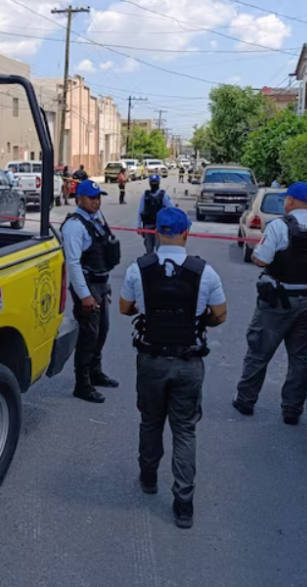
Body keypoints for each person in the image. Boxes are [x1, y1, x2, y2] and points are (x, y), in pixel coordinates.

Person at [119, 206, 227, 529]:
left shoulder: (138, 269)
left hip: (151, 360)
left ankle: (149, 477)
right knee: (184, 430)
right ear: (186, 234)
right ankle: (183, 505)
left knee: (151, 421)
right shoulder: (204, 272)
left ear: (156, 233)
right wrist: (197, 321)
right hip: (188, 361)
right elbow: (220, 315)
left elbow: (125, 308)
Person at [232, 181, 307, 425]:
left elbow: (260, 259)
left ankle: (246, 401)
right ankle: (292, 410)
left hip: (277, 301)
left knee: (259, 351)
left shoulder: (280, 226)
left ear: (289, 200)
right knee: (299, 358)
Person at [62, 179, 122, 403]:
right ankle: (82, 383)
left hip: (100, 283)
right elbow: (74, 263)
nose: (96, 202)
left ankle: (95, 373)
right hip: (86, 286)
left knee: (102, 332)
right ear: (79, 199)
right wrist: (84, 295)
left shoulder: (97, 220)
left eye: (98, 198)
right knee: (89, 335)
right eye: (91, 198)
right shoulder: (75, 226)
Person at [138, 174, 173, 255]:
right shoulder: (145, 195)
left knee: (159, 250)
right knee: (149, 249)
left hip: (159, 228)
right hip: (147, 226)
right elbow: (140, 210)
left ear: (158, 183)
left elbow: (171, 209)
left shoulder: (163, 195)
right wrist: (138, 225)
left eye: (155, 182)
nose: (154, 184)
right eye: (152, 182)